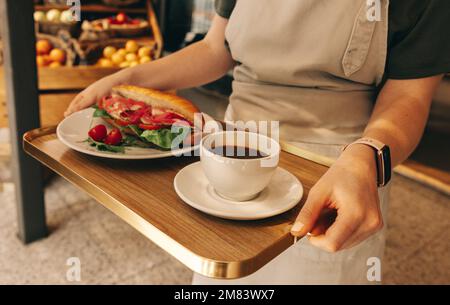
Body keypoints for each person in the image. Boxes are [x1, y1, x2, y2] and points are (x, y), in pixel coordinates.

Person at [65, 0, 450, 284]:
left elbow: (408, 98)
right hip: (228, 155)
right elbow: (218, 47)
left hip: (339, 169)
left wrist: (367, 157)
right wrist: (129, 78)